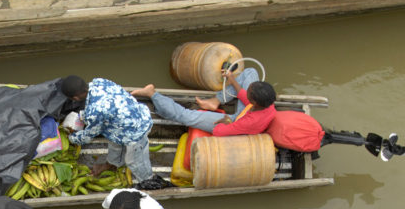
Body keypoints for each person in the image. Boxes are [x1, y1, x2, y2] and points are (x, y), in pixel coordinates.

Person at [61, 75, 170, 191]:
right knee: (114, 145)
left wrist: (71, 137)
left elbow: (87, 136)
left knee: (133, 161)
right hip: (131, 117)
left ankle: (149, 182)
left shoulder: (94, 112)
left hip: (136, 130)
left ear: (76, 98)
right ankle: (112, 164)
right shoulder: (99, 82)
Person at [131, 68, 276, 137]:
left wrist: (223, 120)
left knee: (187, 116)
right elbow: (244, 96)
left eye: (249, 92)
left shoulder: (248, 122)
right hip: (248, 113)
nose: (246, 92)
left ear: (254, 102)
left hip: (234, 122)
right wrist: (232, 79)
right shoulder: (267, 104)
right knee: (251, 72)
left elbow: (220, 132)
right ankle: (216, 100)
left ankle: (152, 94)